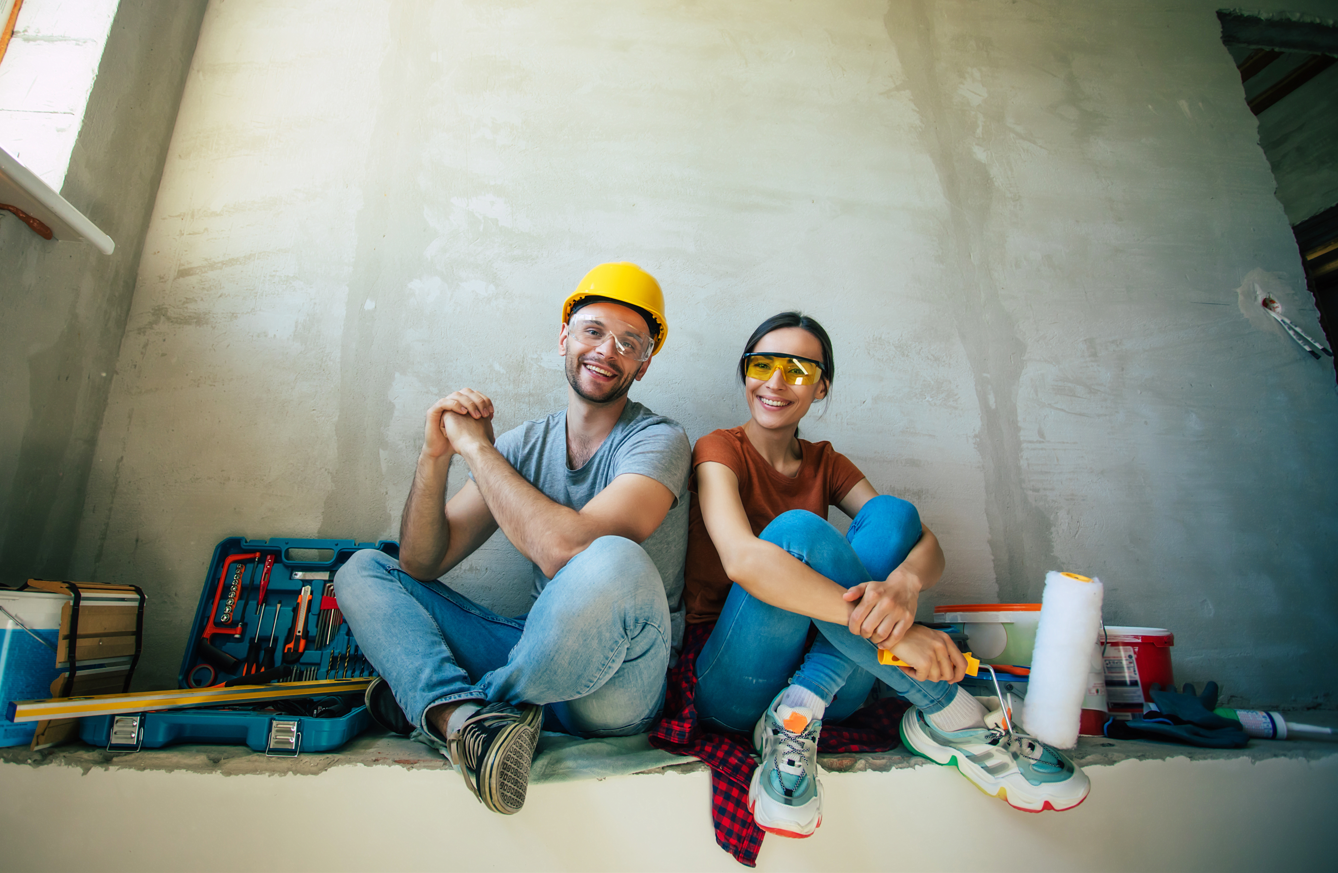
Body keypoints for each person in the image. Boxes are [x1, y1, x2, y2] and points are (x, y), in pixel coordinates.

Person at [680, 311, 1089, 839]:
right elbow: (744, 560)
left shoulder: (826, 462)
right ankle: (952, 713)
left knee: (895, 513)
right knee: (800, 532)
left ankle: (801, 706)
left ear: (821, 386)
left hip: (833, 686)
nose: (776, 382)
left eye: (799, 370)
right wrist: (903, 634)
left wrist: (903, 588)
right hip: (735, 676)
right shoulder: (719, 450)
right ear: (746, 372)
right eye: (763, 364)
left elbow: (923, 545)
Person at [335, 263, 690, 816]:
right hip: (535, 654)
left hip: (619, 682)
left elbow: (565, 552)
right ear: (564, 339)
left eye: (629, 343)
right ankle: (465, 722)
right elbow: (422, 562)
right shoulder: (527, 445)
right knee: (365, 569)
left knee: (612, 557)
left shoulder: (659, 440)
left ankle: (442, 704)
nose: (606, 350)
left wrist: (478, 451)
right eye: (594, 331)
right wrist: (436, 456)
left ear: (642, 366)